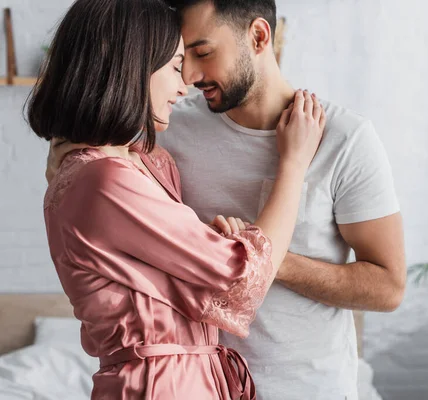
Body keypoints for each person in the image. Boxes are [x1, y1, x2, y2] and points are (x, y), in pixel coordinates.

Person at [47, 0, 407, 398]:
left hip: (310, 387)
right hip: (196, 385)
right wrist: (245, 253)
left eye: (202, 53)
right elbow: (87, 161)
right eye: (180, 59)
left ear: (258, 36)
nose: (190, 76)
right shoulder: (163, 130)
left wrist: (271, 261)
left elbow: (388, 287)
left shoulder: (343, 138)